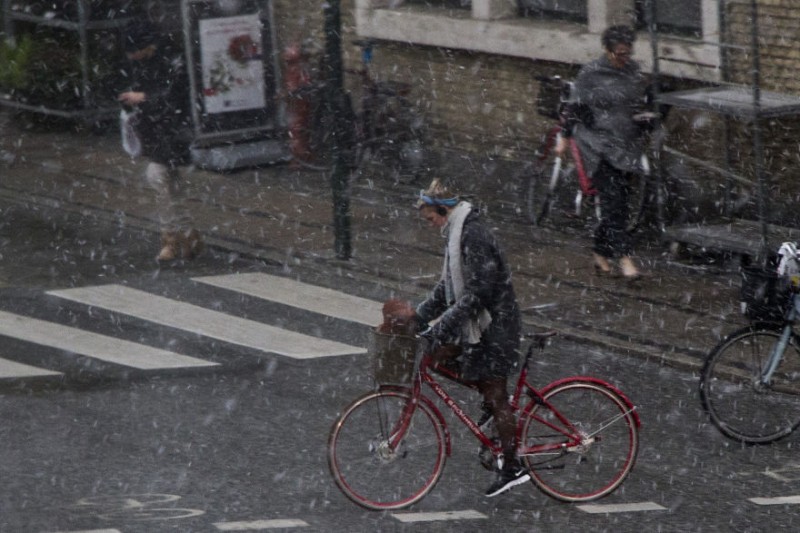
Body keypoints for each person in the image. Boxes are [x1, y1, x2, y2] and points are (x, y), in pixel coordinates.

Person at [413, 178, 525, 498]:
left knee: (497, 393)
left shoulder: (473, 235)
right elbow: (446, 288)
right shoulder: (456, 234)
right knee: (436, 357)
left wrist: (440, 328)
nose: (429, 224)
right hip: (482, 324)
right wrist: (419, 318)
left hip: (497, 325)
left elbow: (478, 293)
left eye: (430, 218)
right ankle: (491, 406)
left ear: (443, 210)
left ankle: (513, 467)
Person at [118, 20, 203, 262]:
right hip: (158, 131)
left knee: (158, 177)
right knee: (172, 185)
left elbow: (175, 96)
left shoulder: (171, 60)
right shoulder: (144, 63)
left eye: (134, 51)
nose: (132, 56)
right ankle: (188, 236)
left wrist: (143, 98)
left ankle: (172, 239)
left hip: (174, 131)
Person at [569, 25, 648, 279]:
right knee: (614, 201)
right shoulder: (590, 74)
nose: (623, 59)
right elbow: (575, 109)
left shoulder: (633, 72)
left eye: (627, 53)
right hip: (598, 147)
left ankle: (599, 250)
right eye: (618, 54)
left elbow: (636, 103)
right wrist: (568, 135)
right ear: (607, 50)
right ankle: (626, 260)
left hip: (625, 146)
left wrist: (643, 118)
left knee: (620, 202)